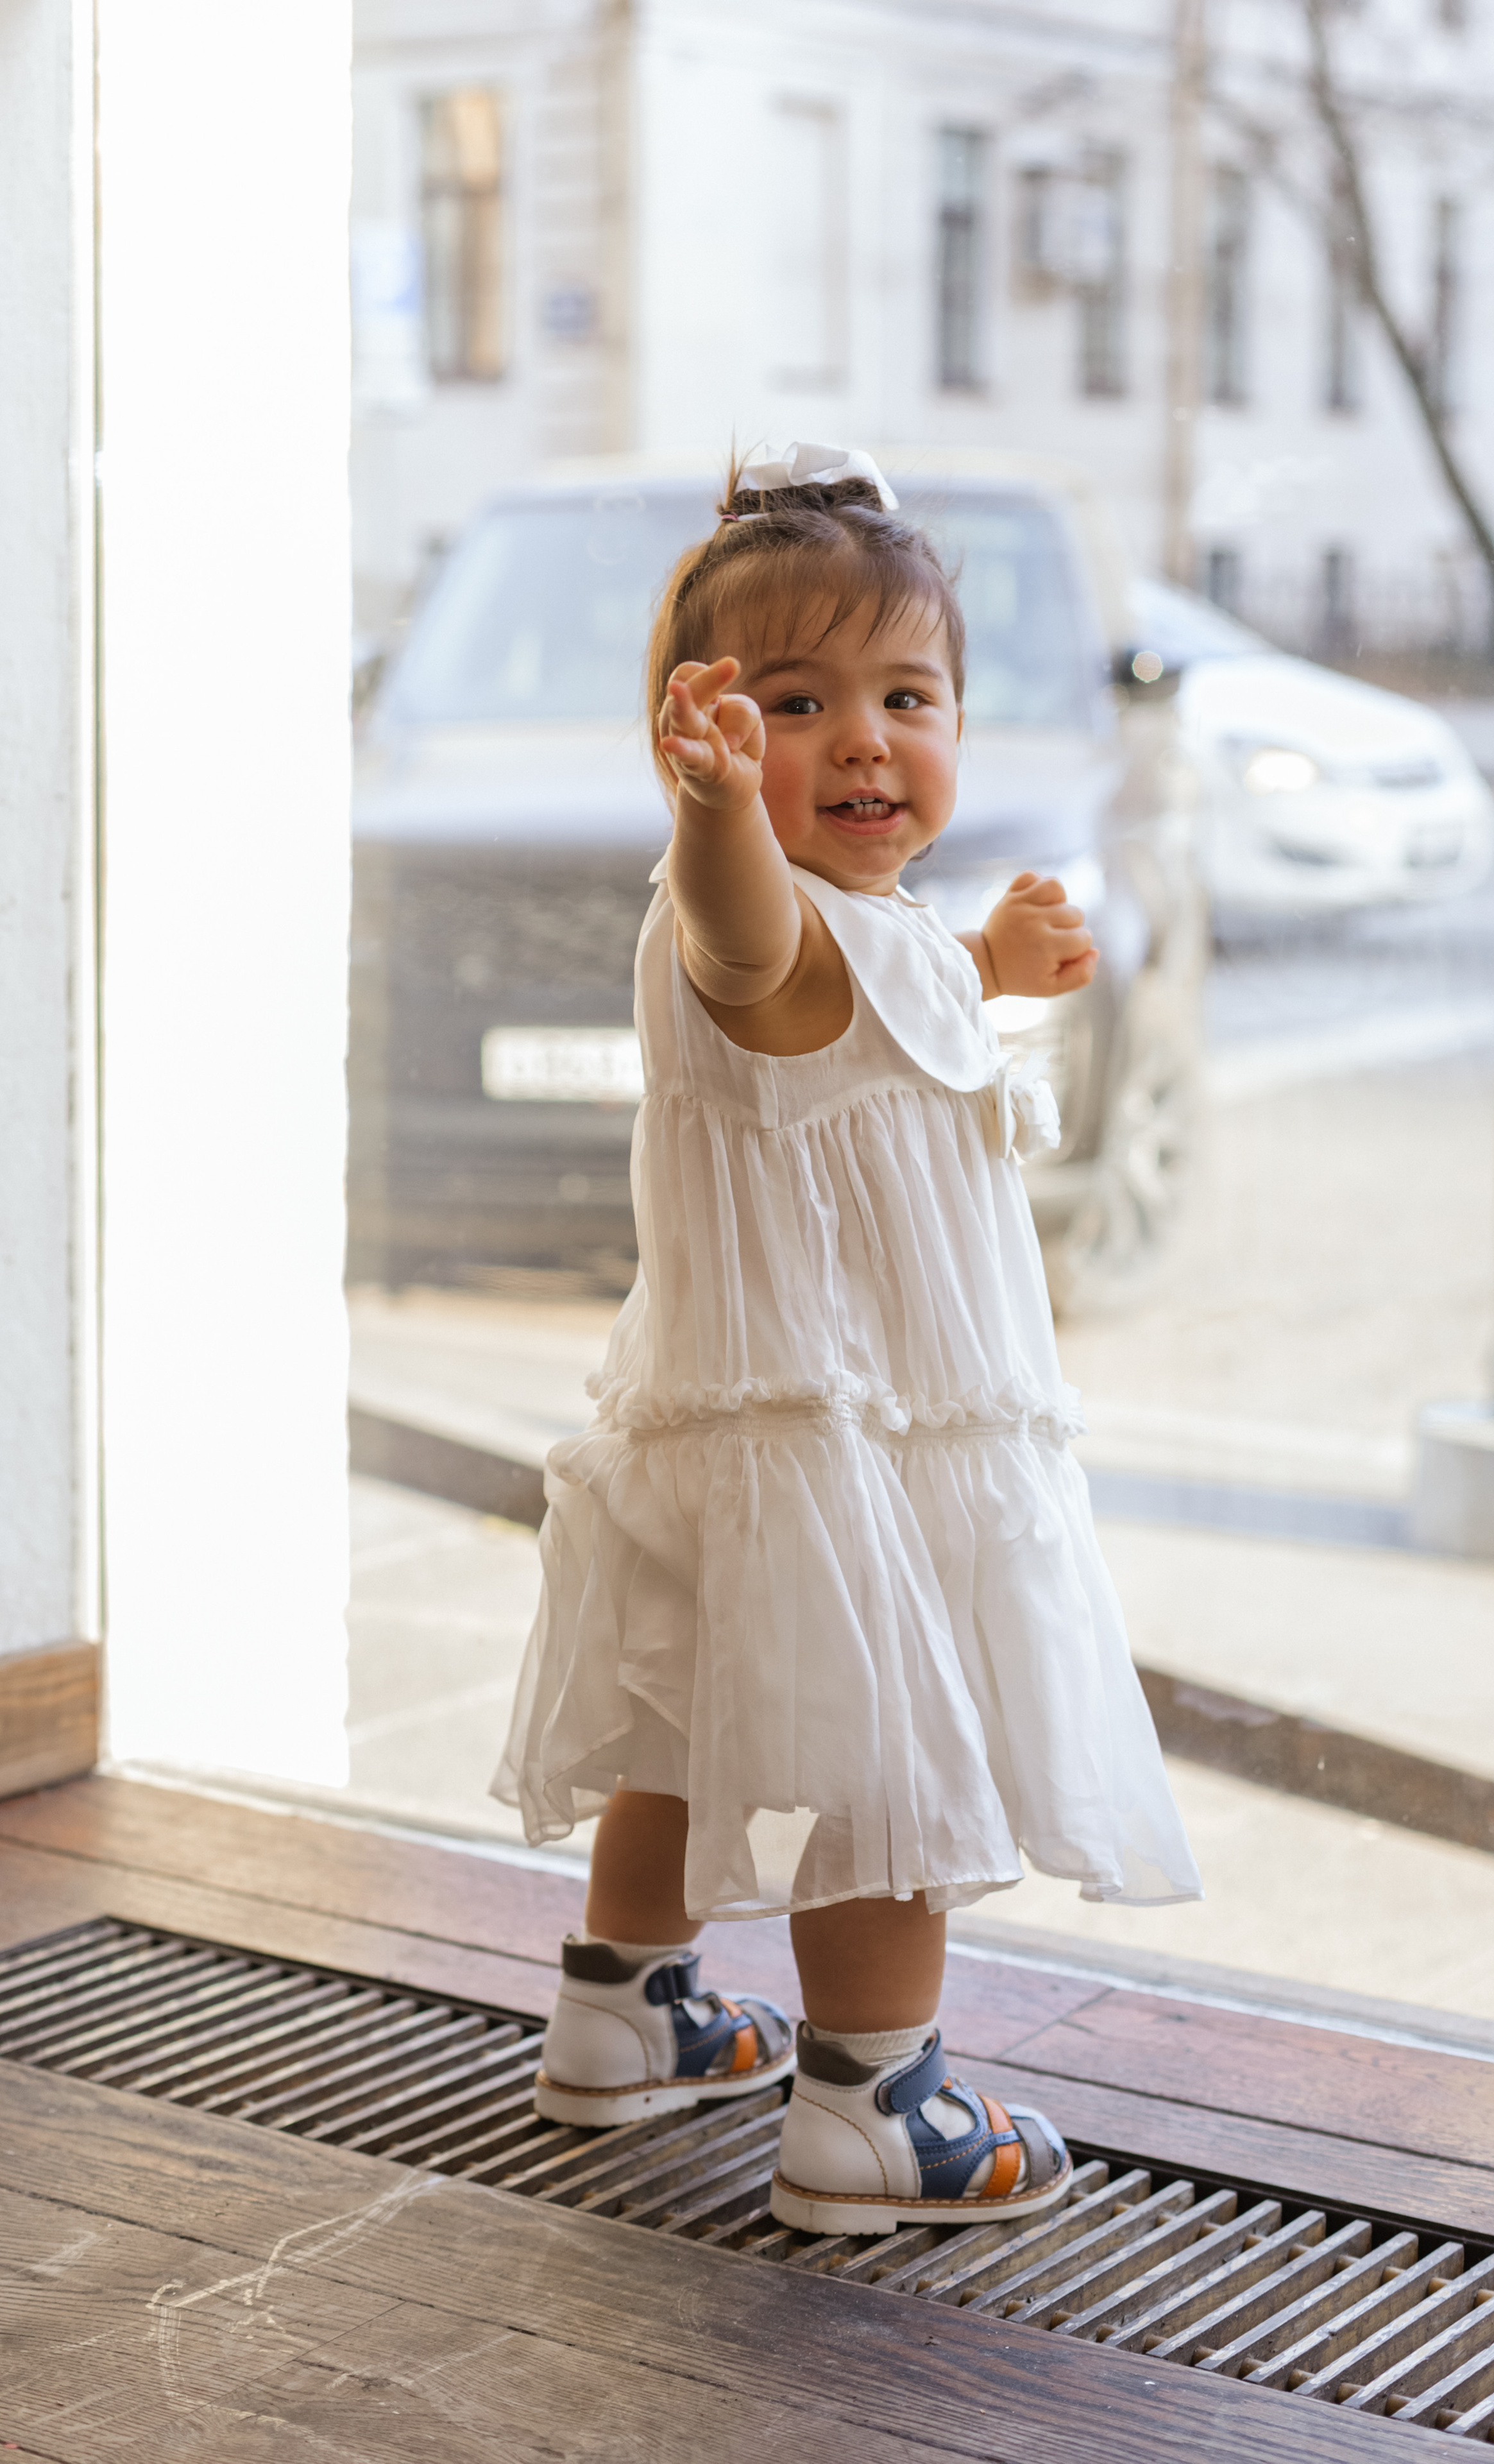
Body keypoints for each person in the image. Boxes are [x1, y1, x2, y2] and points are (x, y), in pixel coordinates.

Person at [494, 442, 1201, 2237]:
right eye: (796, 704)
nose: (866, 739)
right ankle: (877, 2107)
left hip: (742, 1422)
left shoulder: (875, 927)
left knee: (671, 1714)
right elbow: (770, 966)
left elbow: (870, 984)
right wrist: (717, 811)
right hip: (848, 1440)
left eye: (909, 695)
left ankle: (622, 2013)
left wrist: (993, 961)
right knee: (889, 1762)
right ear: (705, 726)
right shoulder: (736, 908)